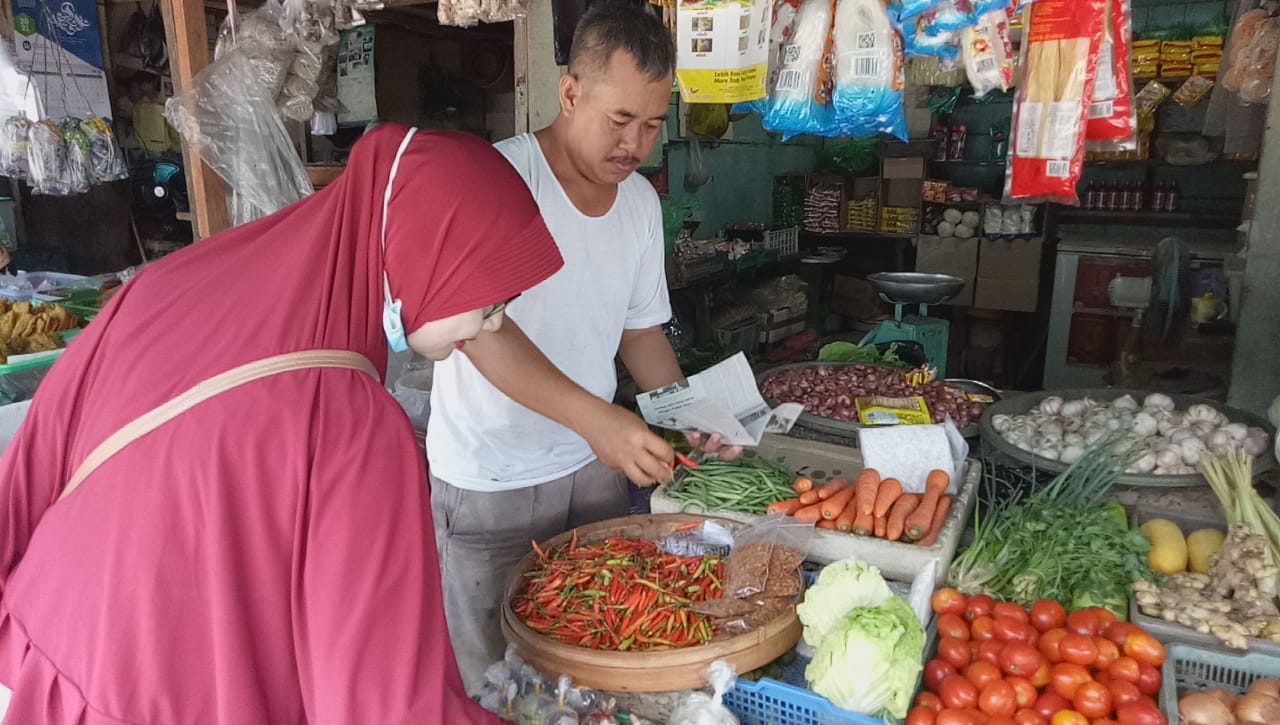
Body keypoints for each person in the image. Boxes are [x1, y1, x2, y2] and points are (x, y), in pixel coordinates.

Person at [0, 124, 561, 724]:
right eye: (490, 297)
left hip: (37, 664)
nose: (495, 325)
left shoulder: (169, 284)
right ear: (426, 250)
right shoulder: (350, 425)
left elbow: (31, 466)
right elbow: (383, 709)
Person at [428, 1, 739, 692]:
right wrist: (599, 419)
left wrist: (688, 412)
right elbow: (480, 333)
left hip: (592, 481)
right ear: (570, 93)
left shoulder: (638, 205)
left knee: (593, 671)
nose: (635, 143)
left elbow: (639, 331)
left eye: (653, 125)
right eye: (619, 120)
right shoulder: (496, 180)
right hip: (490, 486)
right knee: (493, 683)